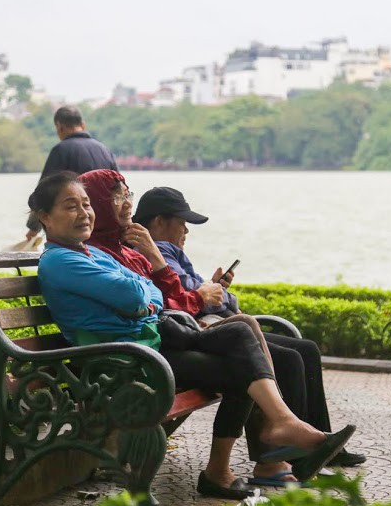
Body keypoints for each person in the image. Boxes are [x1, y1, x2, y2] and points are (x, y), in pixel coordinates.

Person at [28, 171, 354, 500]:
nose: (84, 213)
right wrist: (142, 297)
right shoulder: (61, 261)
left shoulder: (92, 254)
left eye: (85, 204)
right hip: (126, 360)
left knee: (241, 333)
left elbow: (151, 294)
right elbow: (134, 295)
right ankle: (237, 457)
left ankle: (278, 425)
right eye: (71, 206)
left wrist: (142, 297)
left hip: (150, 342)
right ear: (45, 217)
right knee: (239, 364)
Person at [132, 185, 368, 473]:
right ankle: (300, 451)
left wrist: (214, 291)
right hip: (199, 335)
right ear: (158, 222)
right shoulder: (157, 252)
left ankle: (320, 444)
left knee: (306, 349)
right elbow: (187, 297)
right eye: (182, 223)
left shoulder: (169, 253)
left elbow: (200, 294)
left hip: (206, 328)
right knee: (290, 359)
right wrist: (210, 294)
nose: (187, 231)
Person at [25, 106, 118, 240]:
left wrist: (33, 230)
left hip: (77, 230)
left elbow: (43, 196)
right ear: (83, 125)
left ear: (59, 127)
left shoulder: (61, 150)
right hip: (106, 231)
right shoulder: (104, 150)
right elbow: (119, 192)